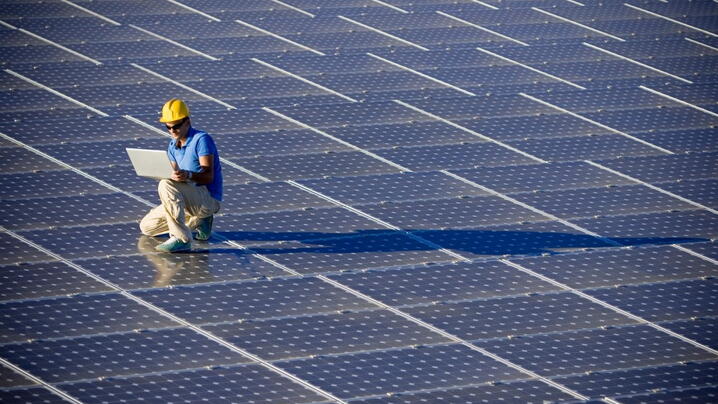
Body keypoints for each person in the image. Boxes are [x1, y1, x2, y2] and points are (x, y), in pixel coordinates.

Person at [139, 99, 223, 253]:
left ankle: (182, 238)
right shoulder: (172, 146)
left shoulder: (201, 140)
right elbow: (173, 178)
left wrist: (188, 175)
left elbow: (208, 176)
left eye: (176, 126)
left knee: (165, 185)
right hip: (187, 199)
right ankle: (200, 220)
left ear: (187, 122)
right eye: (168, 127)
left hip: (207, 199)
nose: (172, 130)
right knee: (147, 227)